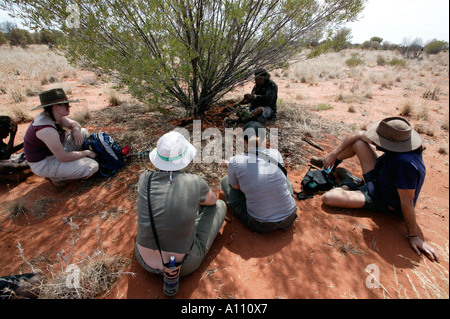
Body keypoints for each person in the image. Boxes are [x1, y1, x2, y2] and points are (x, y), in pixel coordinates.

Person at [319, 116, 440, 262]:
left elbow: (407, 201)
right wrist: (333, 155)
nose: (376, 141)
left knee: (329, 198)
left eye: (379, 139)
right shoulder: (401, 143)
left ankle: (350, 183)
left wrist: (414, 236)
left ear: (390, 143)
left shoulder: (405, 164)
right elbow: (357, 134)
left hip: (381, 199)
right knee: (358, 142)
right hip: (380, 176)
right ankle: (329, 165)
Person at [135, 131, 227, 277]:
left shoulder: (144, 178)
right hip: (182, 266)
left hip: (144, 260)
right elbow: (212, 201)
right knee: (220, 206)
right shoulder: (194, 181)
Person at [221, 121, 297, 233]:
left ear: (244, 141)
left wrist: (231, 166)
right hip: (290, 216)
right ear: (265, 139)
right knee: (282, 175)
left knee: (225, 181)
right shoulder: (276, 154)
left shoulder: (235, 162)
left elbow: (236, 187)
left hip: (260, 224)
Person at [23, 88, 98, 188]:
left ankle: (72, 165)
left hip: (56, 151)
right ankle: (56, 177)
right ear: (55, 107)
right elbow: (63, 157)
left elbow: (74, 124)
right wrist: (86, 153)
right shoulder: (45, 129)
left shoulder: (53, 115)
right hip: (45, 162)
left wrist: (76, 129)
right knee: (92, 166)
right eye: (65, 104)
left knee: (82, 132)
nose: (69, 106)